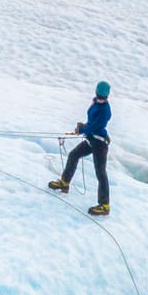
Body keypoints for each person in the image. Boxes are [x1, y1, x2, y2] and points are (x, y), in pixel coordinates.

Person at [48, 80, 112, 215]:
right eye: (99, 97)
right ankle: (64, 183)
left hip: (100, 143)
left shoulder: (105, 111)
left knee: (100, 172)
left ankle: (104, 205)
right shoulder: (94, 102)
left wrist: (82, 129)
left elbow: (94, 127)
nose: (100, 100)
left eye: (103, 98)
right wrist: (83, 126)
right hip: (91, 139)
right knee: (73, 155)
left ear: (106, 97)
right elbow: (91, 123)